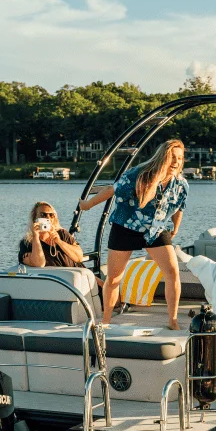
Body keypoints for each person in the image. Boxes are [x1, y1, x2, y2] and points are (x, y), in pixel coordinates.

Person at [75, 139, 187, 329]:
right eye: (172, 157)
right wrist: (88, 205)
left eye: (180, 158)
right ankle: (106, 320)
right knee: (114, 278)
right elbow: (112, 190)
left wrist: (176, 227)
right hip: (125, 226)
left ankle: (172, 320)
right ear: (162, 157)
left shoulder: (181, 184)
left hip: (155, 229)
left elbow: (179, 207)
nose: (176, 162)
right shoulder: (138, 174)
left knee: (172, 272)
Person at [18, 202, 84, 268]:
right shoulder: (27, 244)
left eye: (51, 215)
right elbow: (39, 264)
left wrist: (59, 241)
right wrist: (36, 237)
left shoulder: (62, 234)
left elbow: (79, 257)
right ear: (34, 218)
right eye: (43, 215)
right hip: (56, 275)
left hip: (78, 272)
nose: (48, 218)